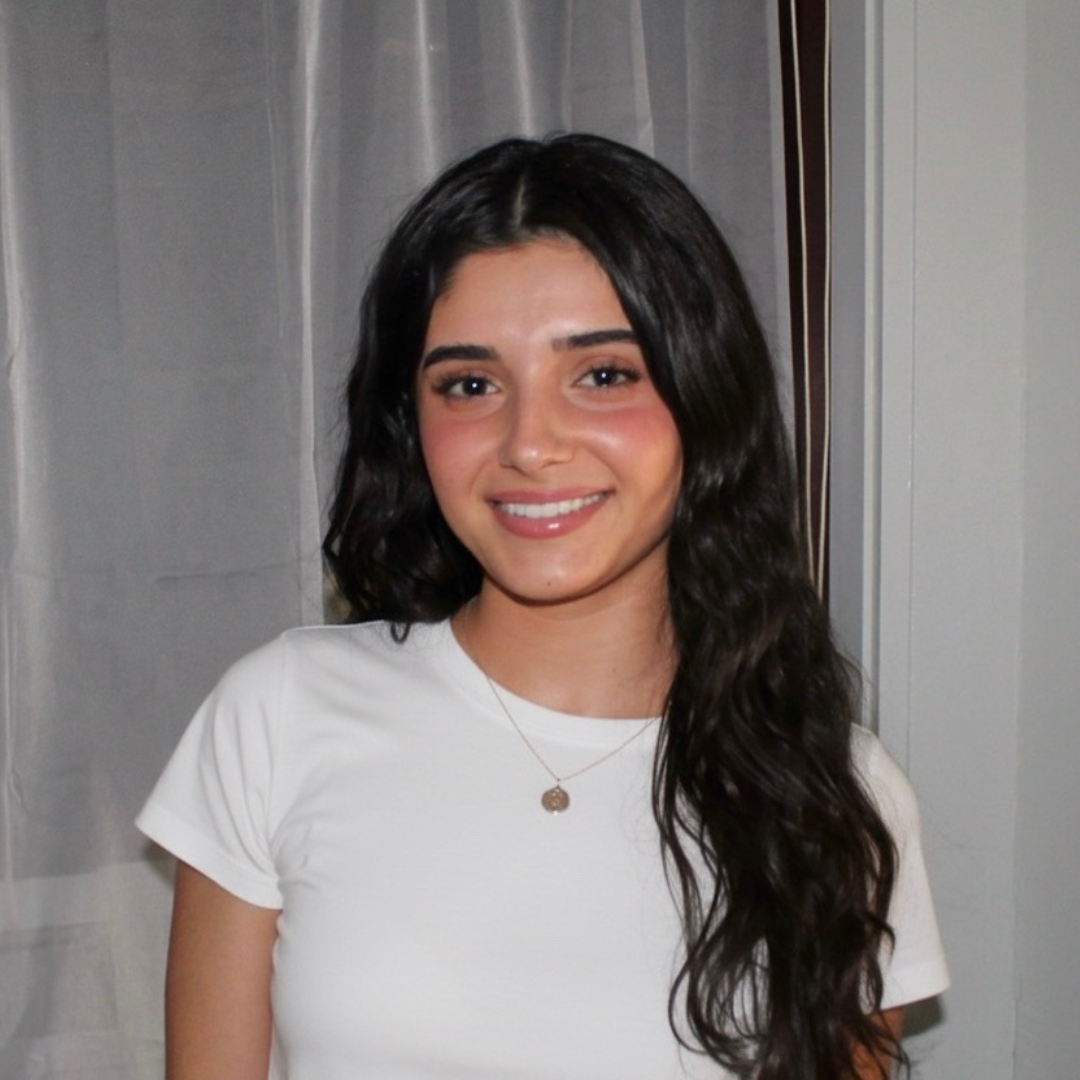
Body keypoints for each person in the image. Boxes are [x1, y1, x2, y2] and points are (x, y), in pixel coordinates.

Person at [137, 133, 949, 1079]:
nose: (530, 443)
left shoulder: (837, 793)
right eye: (470, 385)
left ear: (706, 398)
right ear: (412, 424)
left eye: (603, 375)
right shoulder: (277, 714)